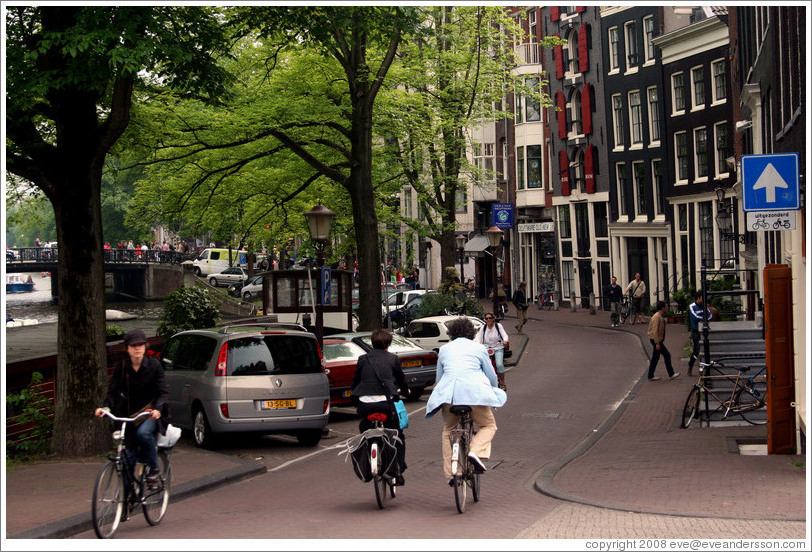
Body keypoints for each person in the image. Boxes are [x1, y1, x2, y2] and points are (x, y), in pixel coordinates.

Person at [425, 317, 507, 486]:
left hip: (450, 397)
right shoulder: (479, 348)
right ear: (471, 333)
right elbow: (491, 375)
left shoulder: (444, 349)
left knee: (448, 430)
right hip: (475, 395)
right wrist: (492, 391)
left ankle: (451, 473)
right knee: (488, 426)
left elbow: (440, 379)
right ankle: (475, 452)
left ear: (451, 333)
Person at [95, 329, 169, 484]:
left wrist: (157, 410)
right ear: (127, 348)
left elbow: (163, 392)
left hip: (148, 414)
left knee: (143, 434)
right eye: (133, 345)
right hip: (128, 416)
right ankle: (127, 499)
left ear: (145, 347)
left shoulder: (154, 366)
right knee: (128, 459)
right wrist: (106, 408)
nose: (137, 348)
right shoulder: (122, 367)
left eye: (141, 345)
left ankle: (153, 467)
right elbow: (113, 391)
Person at [351, 329, 410, 486]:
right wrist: (406, 392)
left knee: (364, 428)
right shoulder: (393, 359)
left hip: (365, 405)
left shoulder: (363, 359)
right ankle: (398, 471)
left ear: (372, 342)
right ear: (389, 344)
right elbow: (401, 380)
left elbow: (355, 382)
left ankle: (369, 456)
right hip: (385, 405)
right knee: (398, 434)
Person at [474, 312, 509, 391]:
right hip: (486, 348)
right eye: (487, 318)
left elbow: (504, 335)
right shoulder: (483, 327)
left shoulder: (498, 326)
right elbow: (478, 338)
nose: (488, 320)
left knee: (499, 364)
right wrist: (478, 345)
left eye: (490, 318)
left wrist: (505, 341)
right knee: (484, 365)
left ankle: (503, 383)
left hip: (498, 347)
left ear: (493, 319)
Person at [646, 301, 680, 382]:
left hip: (656, 339)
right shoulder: (657, 317)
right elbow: (654, 331)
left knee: (655, 357)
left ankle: (650, 375)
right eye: (666, 306)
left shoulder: (659, 316)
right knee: (667, 355)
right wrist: (657, 343)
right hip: (656, 339)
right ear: (662, 308)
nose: (667, 308)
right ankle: (671, 374)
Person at [688, 291, 712, 375]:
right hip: (696, 331)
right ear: (698, 298)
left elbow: (710, 315)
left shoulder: (704, 306)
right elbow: (695, 317)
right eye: (702, 298)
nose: (704, 300)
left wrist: (704, 319)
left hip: (704, 330)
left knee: (705, 350)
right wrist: (704, 319)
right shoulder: (692, 306)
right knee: (696, 350)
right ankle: (690, 366)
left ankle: (702, 368)